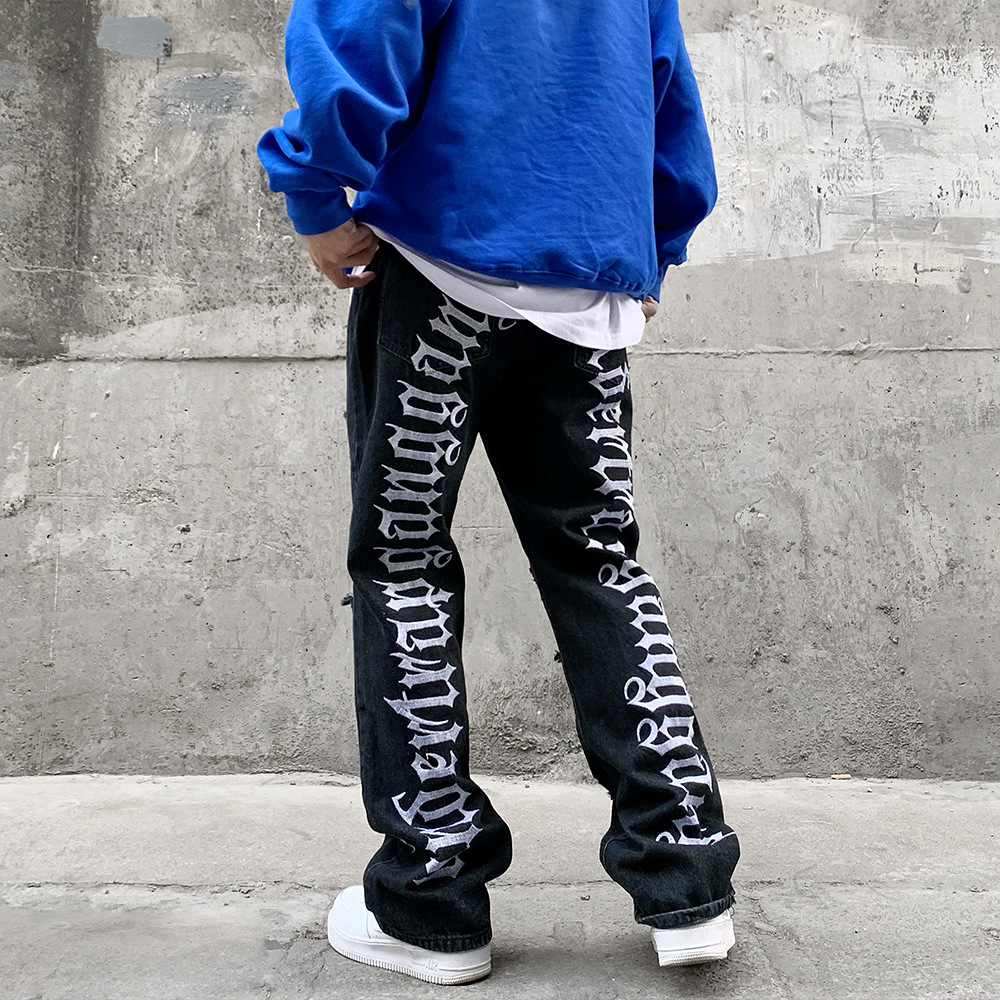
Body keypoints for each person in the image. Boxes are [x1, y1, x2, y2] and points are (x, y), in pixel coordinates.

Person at [258, 0, 740, 985]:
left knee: (404, 561)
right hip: (585, 283)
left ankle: (430, 899)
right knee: (599, 559)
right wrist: (656, 239)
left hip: (442, 257)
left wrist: (315, 191)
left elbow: (362, 29)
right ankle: (685, 866)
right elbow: (665, 89)